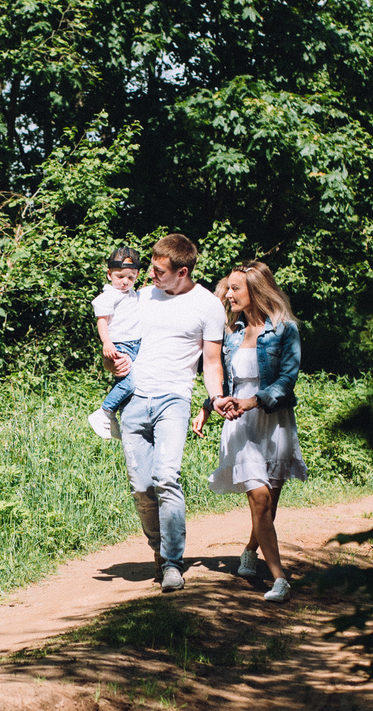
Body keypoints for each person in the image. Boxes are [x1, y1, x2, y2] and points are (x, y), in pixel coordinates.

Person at [118, 233, 226, 593]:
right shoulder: (142, 296)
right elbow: (120, 339)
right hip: (134, 400)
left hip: (173, 401)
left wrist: (216, 399)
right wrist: (112, 360)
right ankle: (158, 551)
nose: (151, 275)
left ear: (182, 271)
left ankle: (172, 563)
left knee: (166, 477)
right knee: (141, 486)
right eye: (151, 267)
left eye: (159, 271)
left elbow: (211, 363)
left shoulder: (208, 305)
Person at [208, 262, 308, 602]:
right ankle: (279, 578)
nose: (229, 294)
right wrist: (208, 407)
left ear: (256, 291)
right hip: (240, 424)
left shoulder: (285, 330)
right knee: (260, 497)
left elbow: (286, 380)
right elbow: (219, 376)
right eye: (228, 288)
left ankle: (251, 550)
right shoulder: (232, 333)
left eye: (236, 288)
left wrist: (253, 401)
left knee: (269, 501)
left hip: (273, 419)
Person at [86, 247, 145, 441]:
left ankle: (114, 420)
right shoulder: (109, 295)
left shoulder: (132, 295)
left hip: (135, 344)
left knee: (131, 385)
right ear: (109, 274)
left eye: (131, 277)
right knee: (130, 382)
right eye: (120, 276)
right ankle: (104, 412)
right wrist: (106, 342)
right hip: (120, 344)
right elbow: (102, 320)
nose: (125, 281)